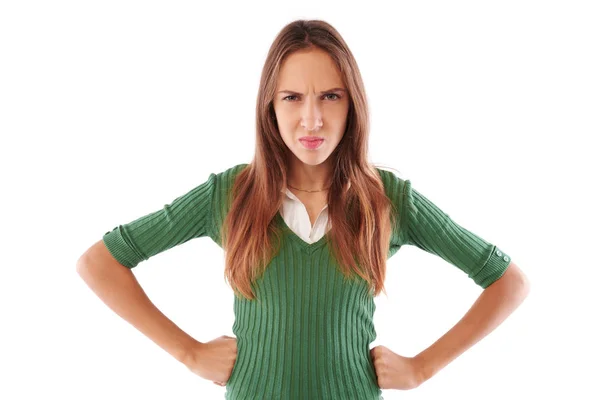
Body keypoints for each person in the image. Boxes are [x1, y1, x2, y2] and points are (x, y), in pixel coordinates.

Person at [76, 19, 530, 400]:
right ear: (269, 108)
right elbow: (100, 262)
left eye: (330, 96)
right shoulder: (230, 193)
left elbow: (508, 282)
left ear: (352, 105)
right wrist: (189, 353)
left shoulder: (386, 197)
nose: (311, 119)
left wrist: (422, 368)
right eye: (292, 97)